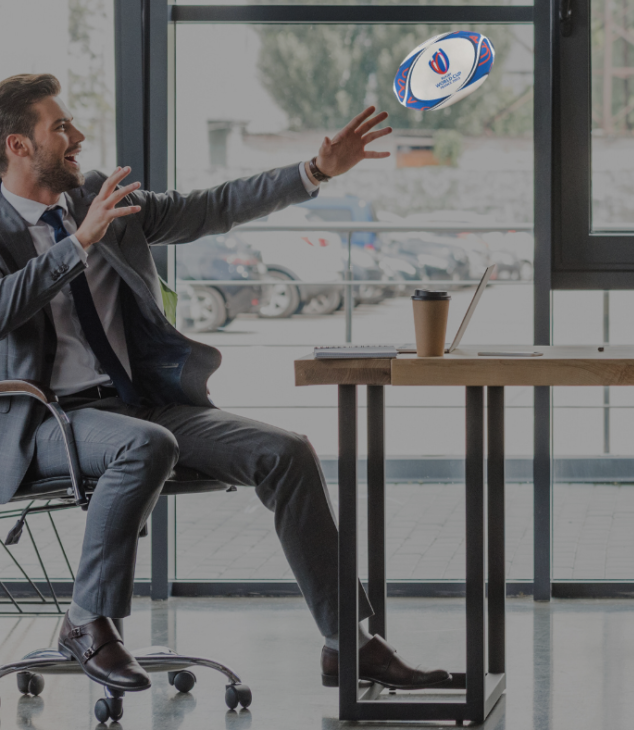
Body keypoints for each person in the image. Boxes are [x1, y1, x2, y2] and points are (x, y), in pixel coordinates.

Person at [0, 74, 447, 694]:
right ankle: (86, 620)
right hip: (47, 421)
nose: (77, 136)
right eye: (60, 127)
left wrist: (315, 171)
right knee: (145, 444)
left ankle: (349, 645)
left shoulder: (100, 197)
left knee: (285, 452)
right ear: (18, 146)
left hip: (139, 405)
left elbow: (210, 207)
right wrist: (77, 245)